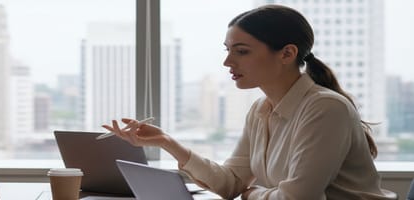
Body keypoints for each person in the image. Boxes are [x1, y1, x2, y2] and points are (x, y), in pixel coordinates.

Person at [103, 5, 395, 200]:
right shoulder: (260, 110)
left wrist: (251, 194)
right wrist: (166, 142)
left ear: (287, 53)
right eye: (228, 50)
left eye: (241, 51)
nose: (227, 62)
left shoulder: (325, 108)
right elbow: (230, 182)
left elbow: (298, 198)